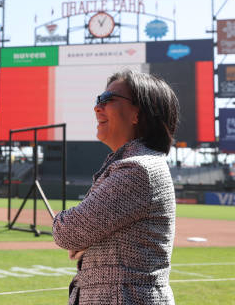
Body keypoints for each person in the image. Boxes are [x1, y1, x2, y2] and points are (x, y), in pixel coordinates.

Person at [52, 70, 179, 304]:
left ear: (138, 113)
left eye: (107, 99)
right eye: (98, 99)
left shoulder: (137, 169)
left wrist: (66, 225)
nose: (97, 107)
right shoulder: (132, 165)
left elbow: (67, 232)